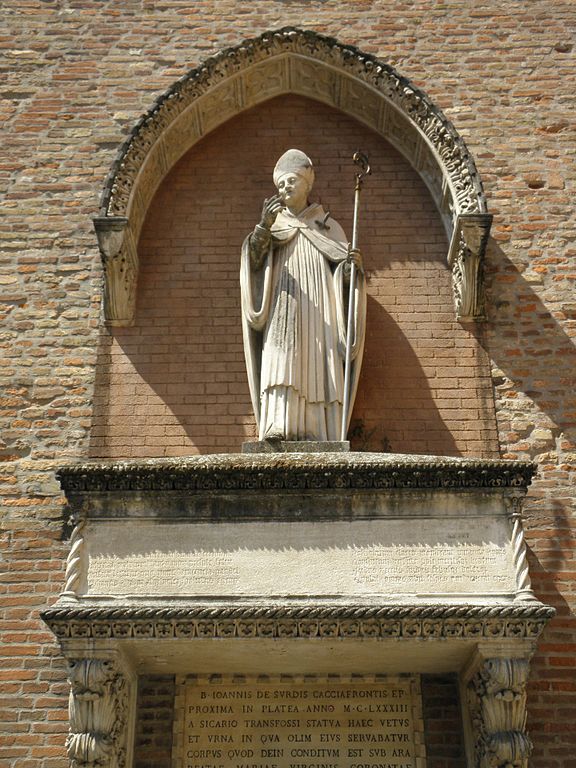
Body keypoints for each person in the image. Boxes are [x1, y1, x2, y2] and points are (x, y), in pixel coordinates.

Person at [240, 149, 366, 442]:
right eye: (281, 184)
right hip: (284, 296)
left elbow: (345, 280)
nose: (285, 188)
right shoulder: (272, 225)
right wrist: (262, 228)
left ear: (307, 185)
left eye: (291, 181)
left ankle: (321, 427)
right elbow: (254, 263)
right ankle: (279, 421)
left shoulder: (327, 226)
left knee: (319, 355)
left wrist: (350, 271)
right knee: (281, 352)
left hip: (321, 301)